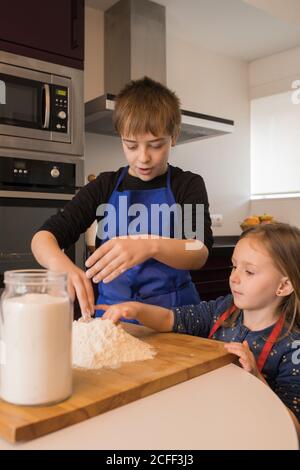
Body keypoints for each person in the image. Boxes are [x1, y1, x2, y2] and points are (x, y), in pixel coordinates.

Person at [31, 77, 213, 318]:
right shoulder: (104, 186)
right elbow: (43, 238)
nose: (143, 158)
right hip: (113, 317)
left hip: (175, 317)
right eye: (131, 145)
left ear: (174, 136)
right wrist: (65, 269)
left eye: (156, 145)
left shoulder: (187, 184)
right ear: (121, 138)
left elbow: (198, 249)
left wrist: (150, 245)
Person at [97, 223, 300, 435]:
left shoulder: (293, 347)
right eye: (234, 266)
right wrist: (136, 310)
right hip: (212, 419)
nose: (234, 277)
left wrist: (257, 377)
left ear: (283, 286)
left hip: (251, 432)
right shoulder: (222, 310)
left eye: (249, 271)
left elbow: (293, 426)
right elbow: (170, 318)